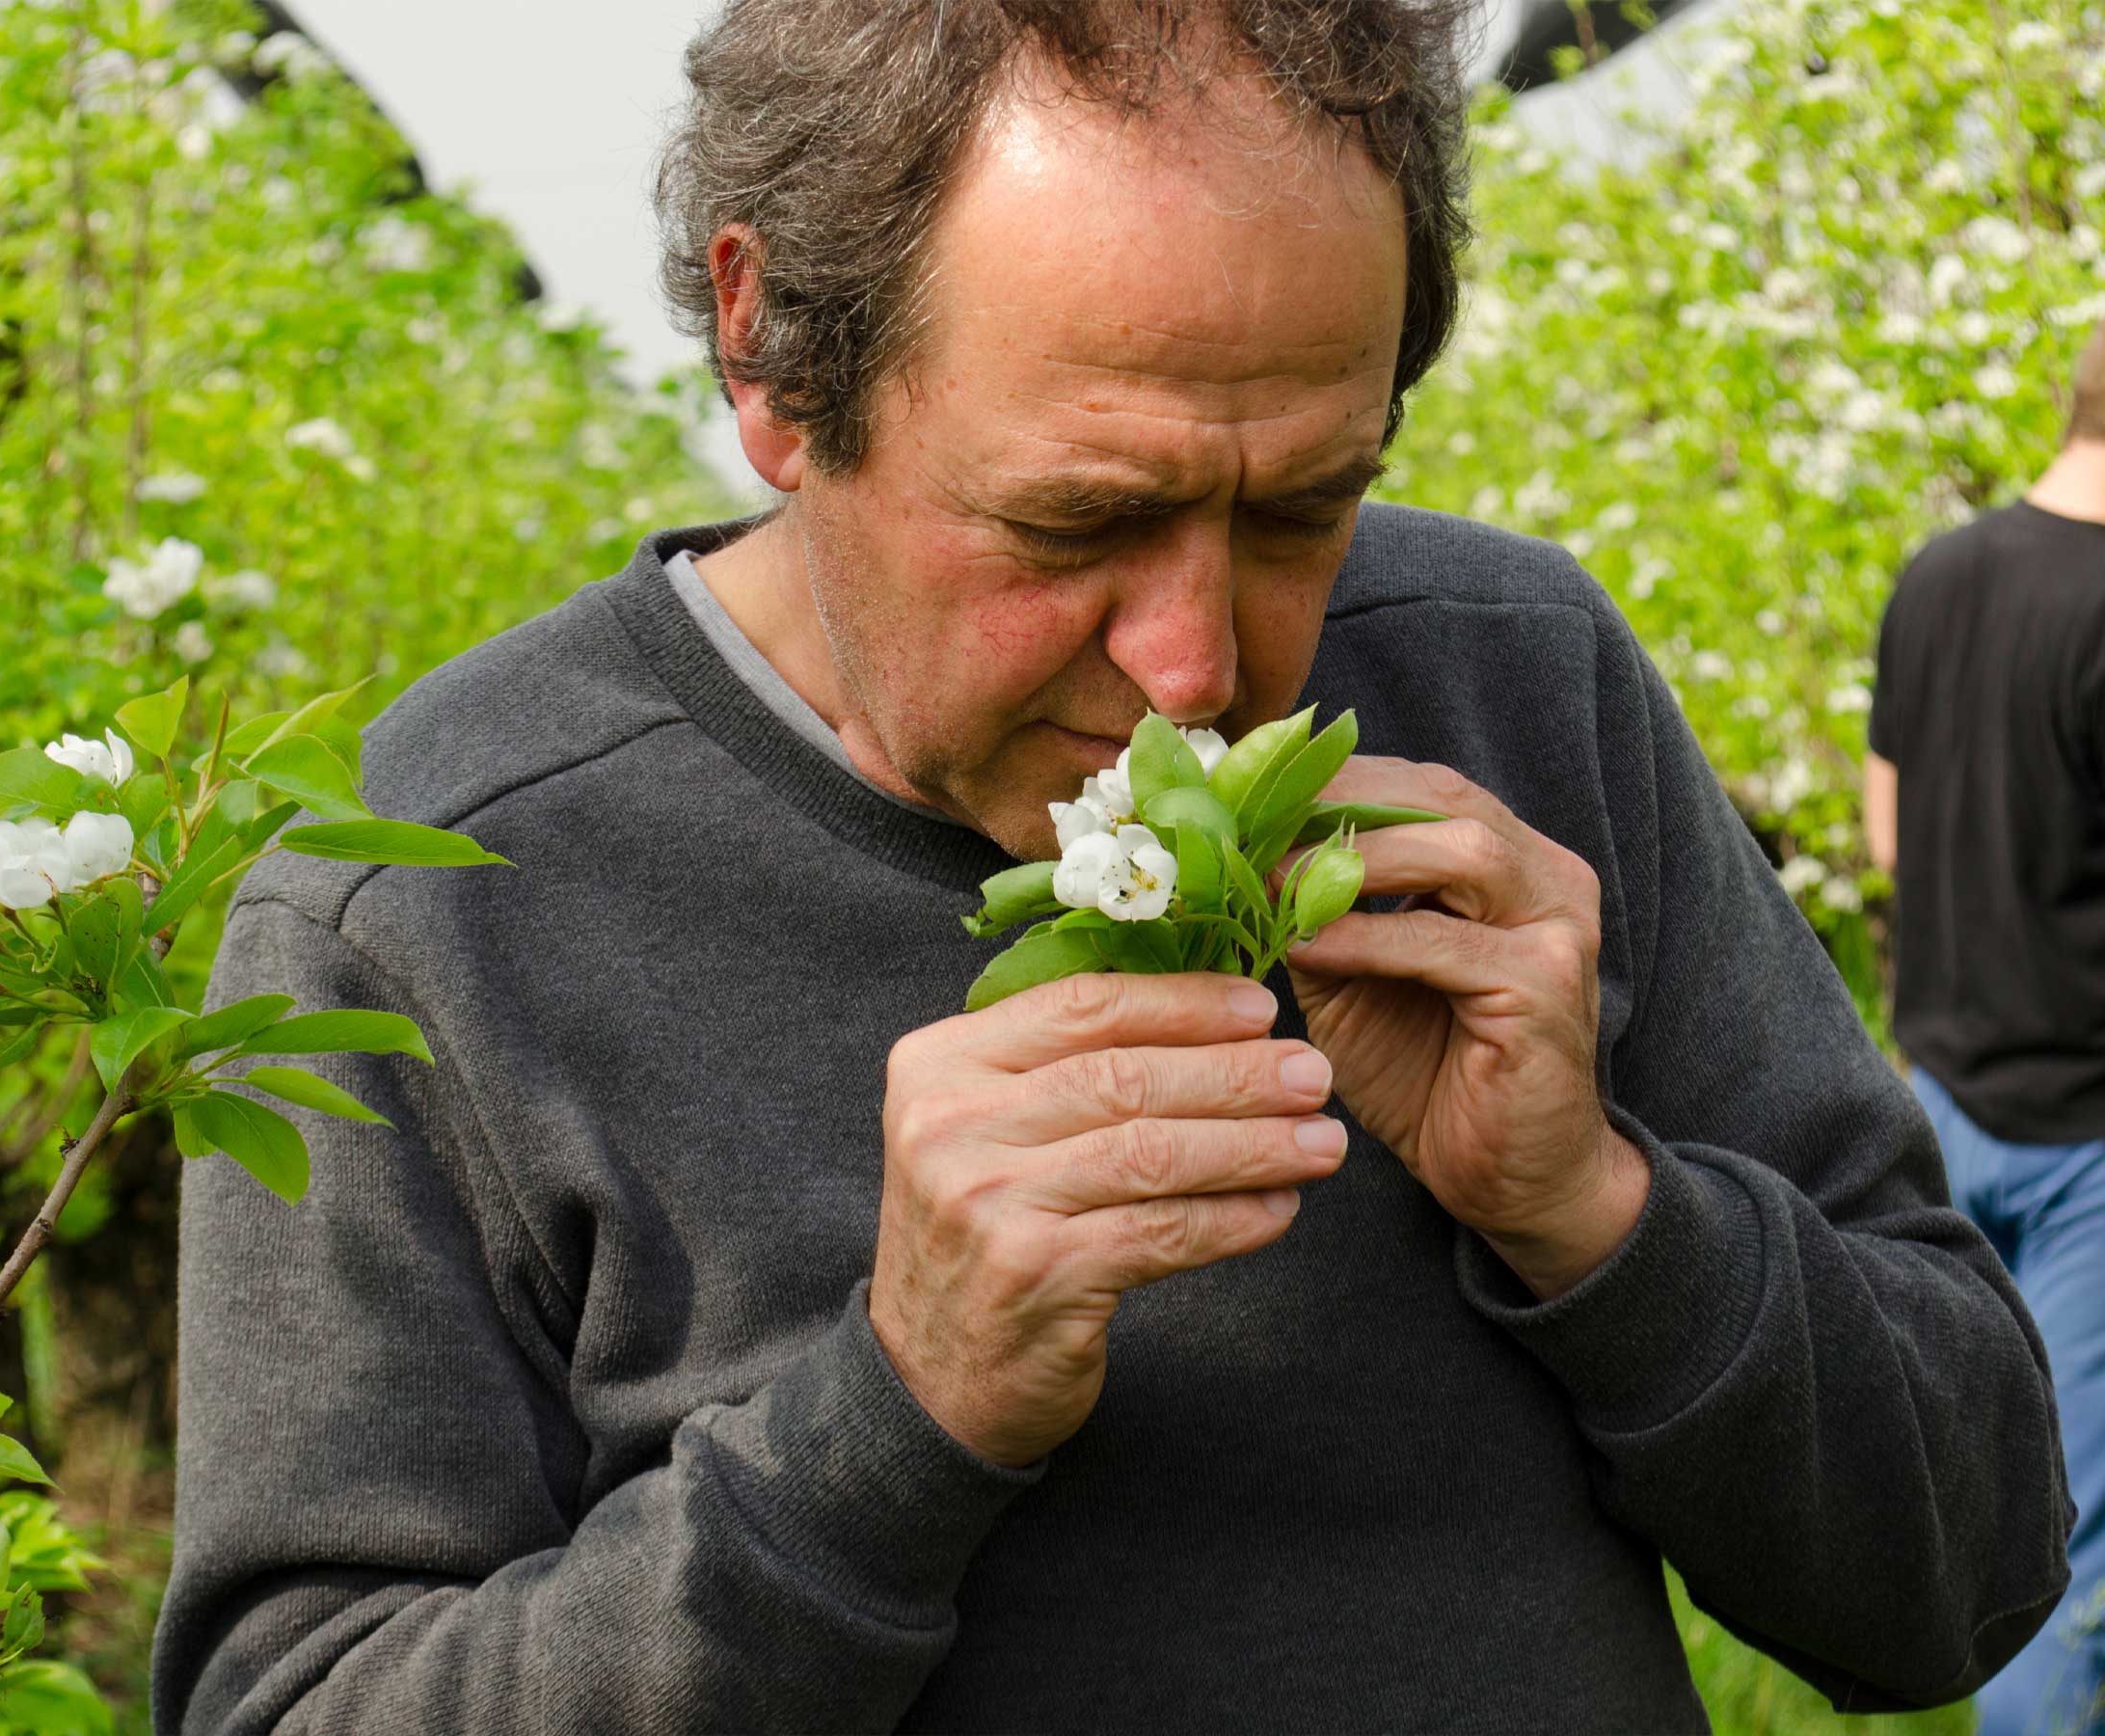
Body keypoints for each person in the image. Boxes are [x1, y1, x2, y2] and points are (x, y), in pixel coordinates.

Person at [151, 4, 2071, 1730]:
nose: (1203, 667)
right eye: (1085, 518)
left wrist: (1598, 1212)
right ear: (771, 357)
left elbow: (1964, 1584)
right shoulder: (422, 895)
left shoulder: (1519, 682)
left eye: (1305, 508)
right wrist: (890, 1419)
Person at [1865, 319, 2105, 1736]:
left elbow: (1891, 836)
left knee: (1979, 1500)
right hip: (2086, 1140)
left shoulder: (1938, 572)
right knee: (2072, 1549)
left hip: (1938, 1104)